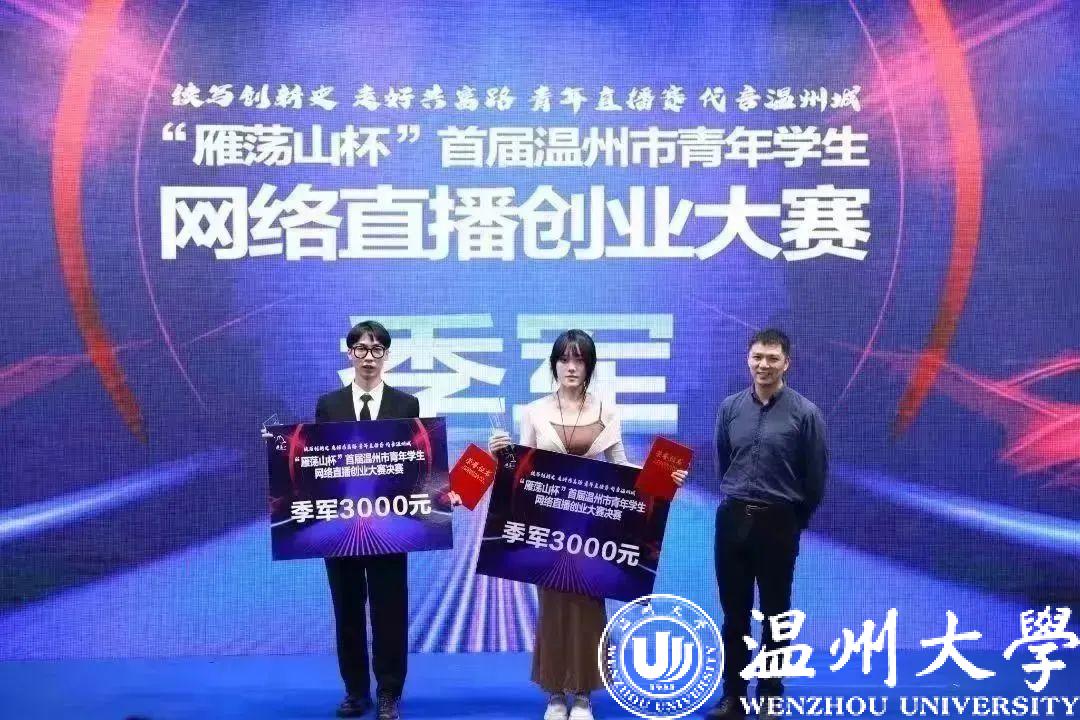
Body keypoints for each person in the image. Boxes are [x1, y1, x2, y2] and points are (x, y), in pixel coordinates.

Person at [489, 329, 687, 720]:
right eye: (564, 359)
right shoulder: (534, 411)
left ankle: (581, 694)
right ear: (554, 365)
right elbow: (522, 469)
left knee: (589, 607)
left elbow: (622, 467)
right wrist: (501, 455)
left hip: (593, 528)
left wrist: (665, 480)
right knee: (552, 605)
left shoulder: (607, 411)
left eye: (579, 360)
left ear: (589, 366)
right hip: (548, 527)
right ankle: (554, 694)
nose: (571, 367)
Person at [706, 329, 828, 720]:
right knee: (734, 616)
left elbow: (815, 477)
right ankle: (733, 696)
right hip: (733, 519)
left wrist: (793, 520)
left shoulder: (805, 413)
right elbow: (724, 462)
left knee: (775, 615)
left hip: (779, 522)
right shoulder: (730, 408)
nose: (764, 365)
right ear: (748, 359)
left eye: (772, 358)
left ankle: (770, 696)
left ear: (786, 363)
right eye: (758, 357)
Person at [316, 320, 418, 720]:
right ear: (350, 354)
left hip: (391, 526)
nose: (369, 357)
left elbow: (415, 464)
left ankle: (389, 692)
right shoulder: (329, 406)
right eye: (361, 349)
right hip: (341, 527)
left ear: (386, 356)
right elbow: (316, 465)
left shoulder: (405, 405)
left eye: (377, 350)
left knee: (389, 610)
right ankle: (355, 692)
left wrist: (437, 496)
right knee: (347, 610)